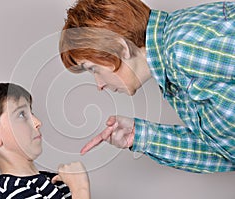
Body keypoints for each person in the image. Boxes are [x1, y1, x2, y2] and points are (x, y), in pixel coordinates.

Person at [59, 0, 235, 173]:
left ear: (121, 48)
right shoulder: (173, 67)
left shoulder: (183, 49)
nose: (99, 84)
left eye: (93, 69)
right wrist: (142, 136)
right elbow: (229, 151)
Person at [0, 83, 90, 198]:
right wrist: (81, 190)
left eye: (31, 113)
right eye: (21, 115)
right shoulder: (15, 193)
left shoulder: (54, 180)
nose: (37, 122)